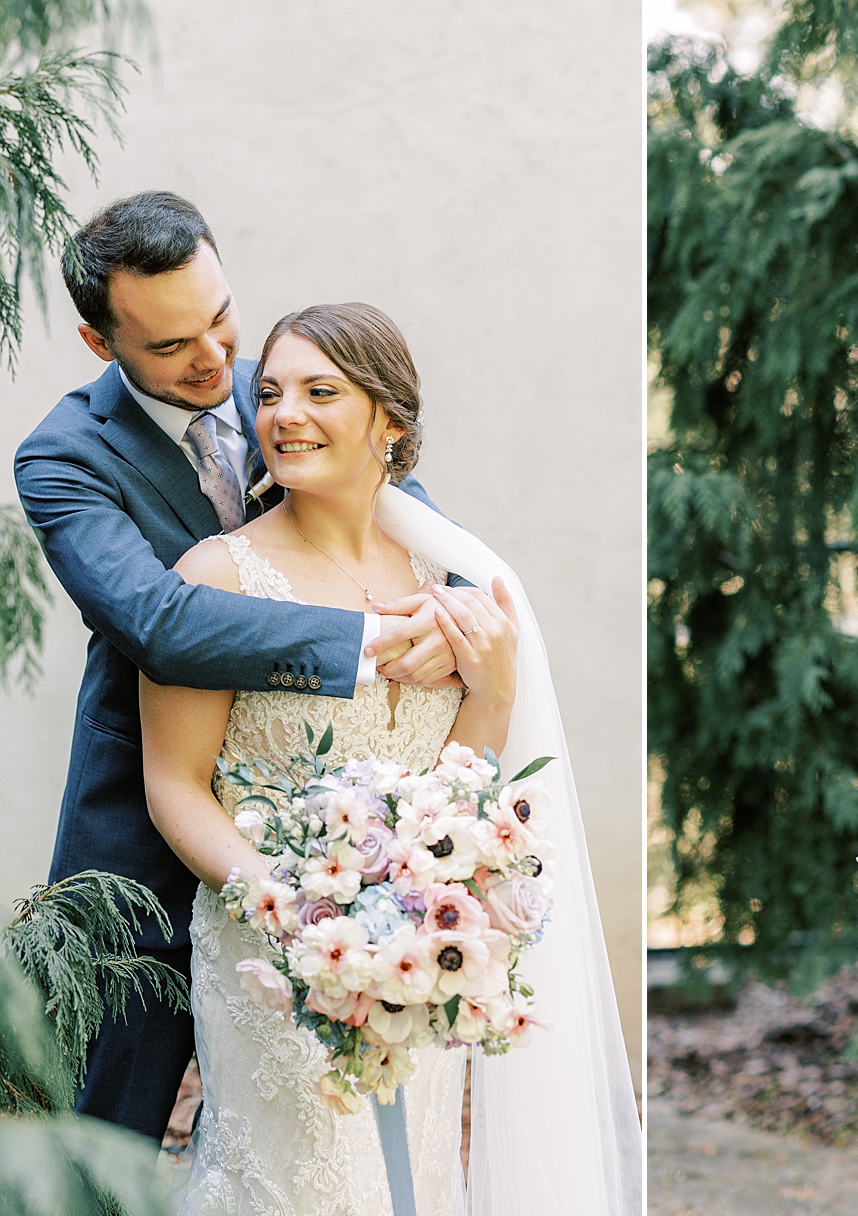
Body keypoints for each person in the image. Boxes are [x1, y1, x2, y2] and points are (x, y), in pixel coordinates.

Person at [139, 303, 641, 1215]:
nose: (284, 415)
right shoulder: (216, 578)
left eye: (320, 392)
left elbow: (462, 788)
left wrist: (490, 694)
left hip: (415, 952)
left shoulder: (448, 590)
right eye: (272, 394)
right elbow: (174, 785)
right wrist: (283, 907)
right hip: (269, 951)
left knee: (406, 1182)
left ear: (391, 426)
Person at [15, 193, 467, 1141]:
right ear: (104, 346)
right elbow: (160, 623)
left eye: (220, 315)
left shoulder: (291, 389)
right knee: (107, 1140)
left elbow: (389, 503)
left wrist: (445, 608)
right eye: (173, 345)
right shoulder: (63, 458)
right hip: (143, 843)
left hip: (324, 850)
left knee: (312, 1133)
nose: (218, 360)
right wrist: (364, 638)